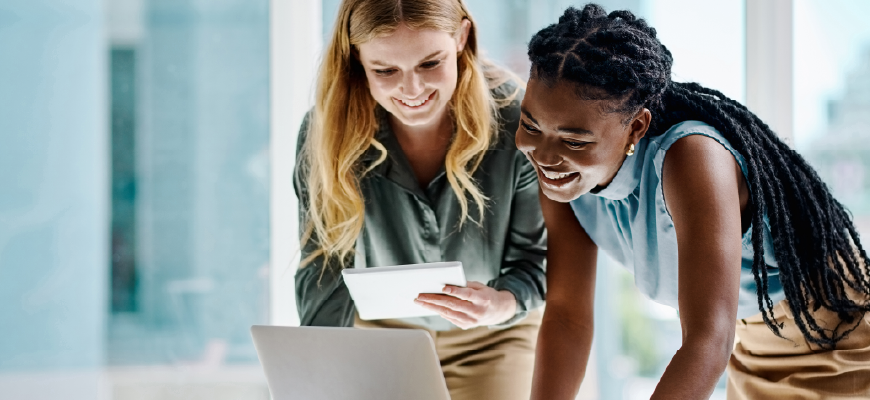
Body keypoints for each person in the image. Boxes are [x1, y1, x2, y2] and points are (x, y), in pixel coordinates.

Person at [516, 4, 870, 400]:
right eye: (530, 124)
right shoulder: (562, 181)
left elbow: (707, 340)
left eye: (574, 140)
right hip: (753, 340)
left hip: (835, 331)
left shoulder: (691, 156)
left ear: (636, 127)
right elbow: (567, 317)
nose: (544, 155)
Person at [293, 1, 546, 399]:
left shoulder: (517, 121)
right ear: (356, 56)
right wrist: (324, 367)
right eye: (385, 70)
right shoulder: (325, 132)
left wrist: (501, 302)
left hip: (495, 335)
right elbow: (323, 265)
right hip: (381, 333)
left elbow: (537, 260)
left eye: (431, 63)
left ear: (462, 37)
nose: (412, 90)